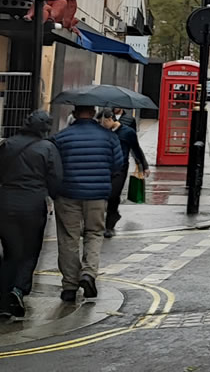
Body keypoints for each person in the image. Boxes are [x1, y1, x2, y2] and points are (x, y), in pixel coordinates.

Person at [51, 106, 122, 304]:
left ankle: (69, 287)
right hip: (97, 195)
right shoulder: (108, 137)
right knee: (94, 233)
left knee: (68, 238)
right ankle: (88, 274)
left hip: (68, 194)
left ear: (74, 113)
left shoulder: (62, 137)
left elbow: (53, 166)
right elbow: (117, 165)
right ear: (93, 114)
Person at [0, 111, 62, 319]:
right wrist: (53, 198)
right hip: (33, 204)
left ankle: (2, 297)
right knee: (30, 249)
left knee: (10, 251)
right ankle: (18, 290)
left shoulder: (7, 144)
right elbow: (55, 179)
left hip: (6, 202)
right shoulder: (48, 148)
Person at [105, 107, 149, 238]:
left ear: (109, 119)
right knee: (104, 195)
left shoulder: (128, 129)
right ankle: (108, 219)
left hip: (121, 167)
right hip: (105, 166)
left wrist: (143, 165)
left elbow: (135, 147)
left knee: (114, 194)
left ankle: (109, 224)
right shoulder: (103, 131)